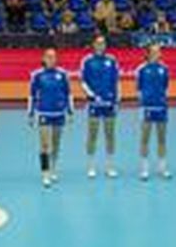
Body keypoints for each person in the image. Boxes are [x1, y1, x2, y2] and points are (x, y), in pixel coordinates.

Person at [28, 48, 74, 188]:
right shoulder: (37, 75)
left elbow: (68, 94)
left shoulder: (63, 74)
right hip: (44, 113)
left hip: (59, 113)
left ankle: (53, 168)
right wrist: (30, 114)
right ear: (44, 58)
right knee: (44, 144)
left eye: (53, 57)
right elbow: (32, 95)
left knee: (56, 143)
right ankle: (45, 172)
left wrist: (70, 111)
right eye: (48, 57)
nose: (51, 59)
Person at [78, 34, 120, 178]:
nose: (101, 46)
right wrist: (92, 95)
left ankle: (110, 167)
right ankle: (91, 166)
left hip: (109, 103)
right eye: (98, 43)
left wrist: (117, 99)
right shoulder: (87, 61)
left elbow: (116, 81)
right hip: (94, 104)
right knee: (92, 135)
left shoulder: (112, 60)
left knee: (110, 135)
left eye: (103, 43)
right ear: (93, 45)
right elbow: (83, 82)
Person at [135, 41, 171, 180]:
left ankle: (162, 168)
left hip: (161, 106)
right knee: (145, 138)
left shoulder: (164, 69)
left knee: (162, 139)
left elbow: (165, 86)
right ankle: (144, 169)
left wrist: (160, 99)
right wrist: (144, 102)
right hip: (147, 107)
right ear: (148, 53)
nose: (158, 54)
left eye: (159, 51)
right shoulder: (142, 69)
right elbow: (139, 88)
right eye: (154, 52)